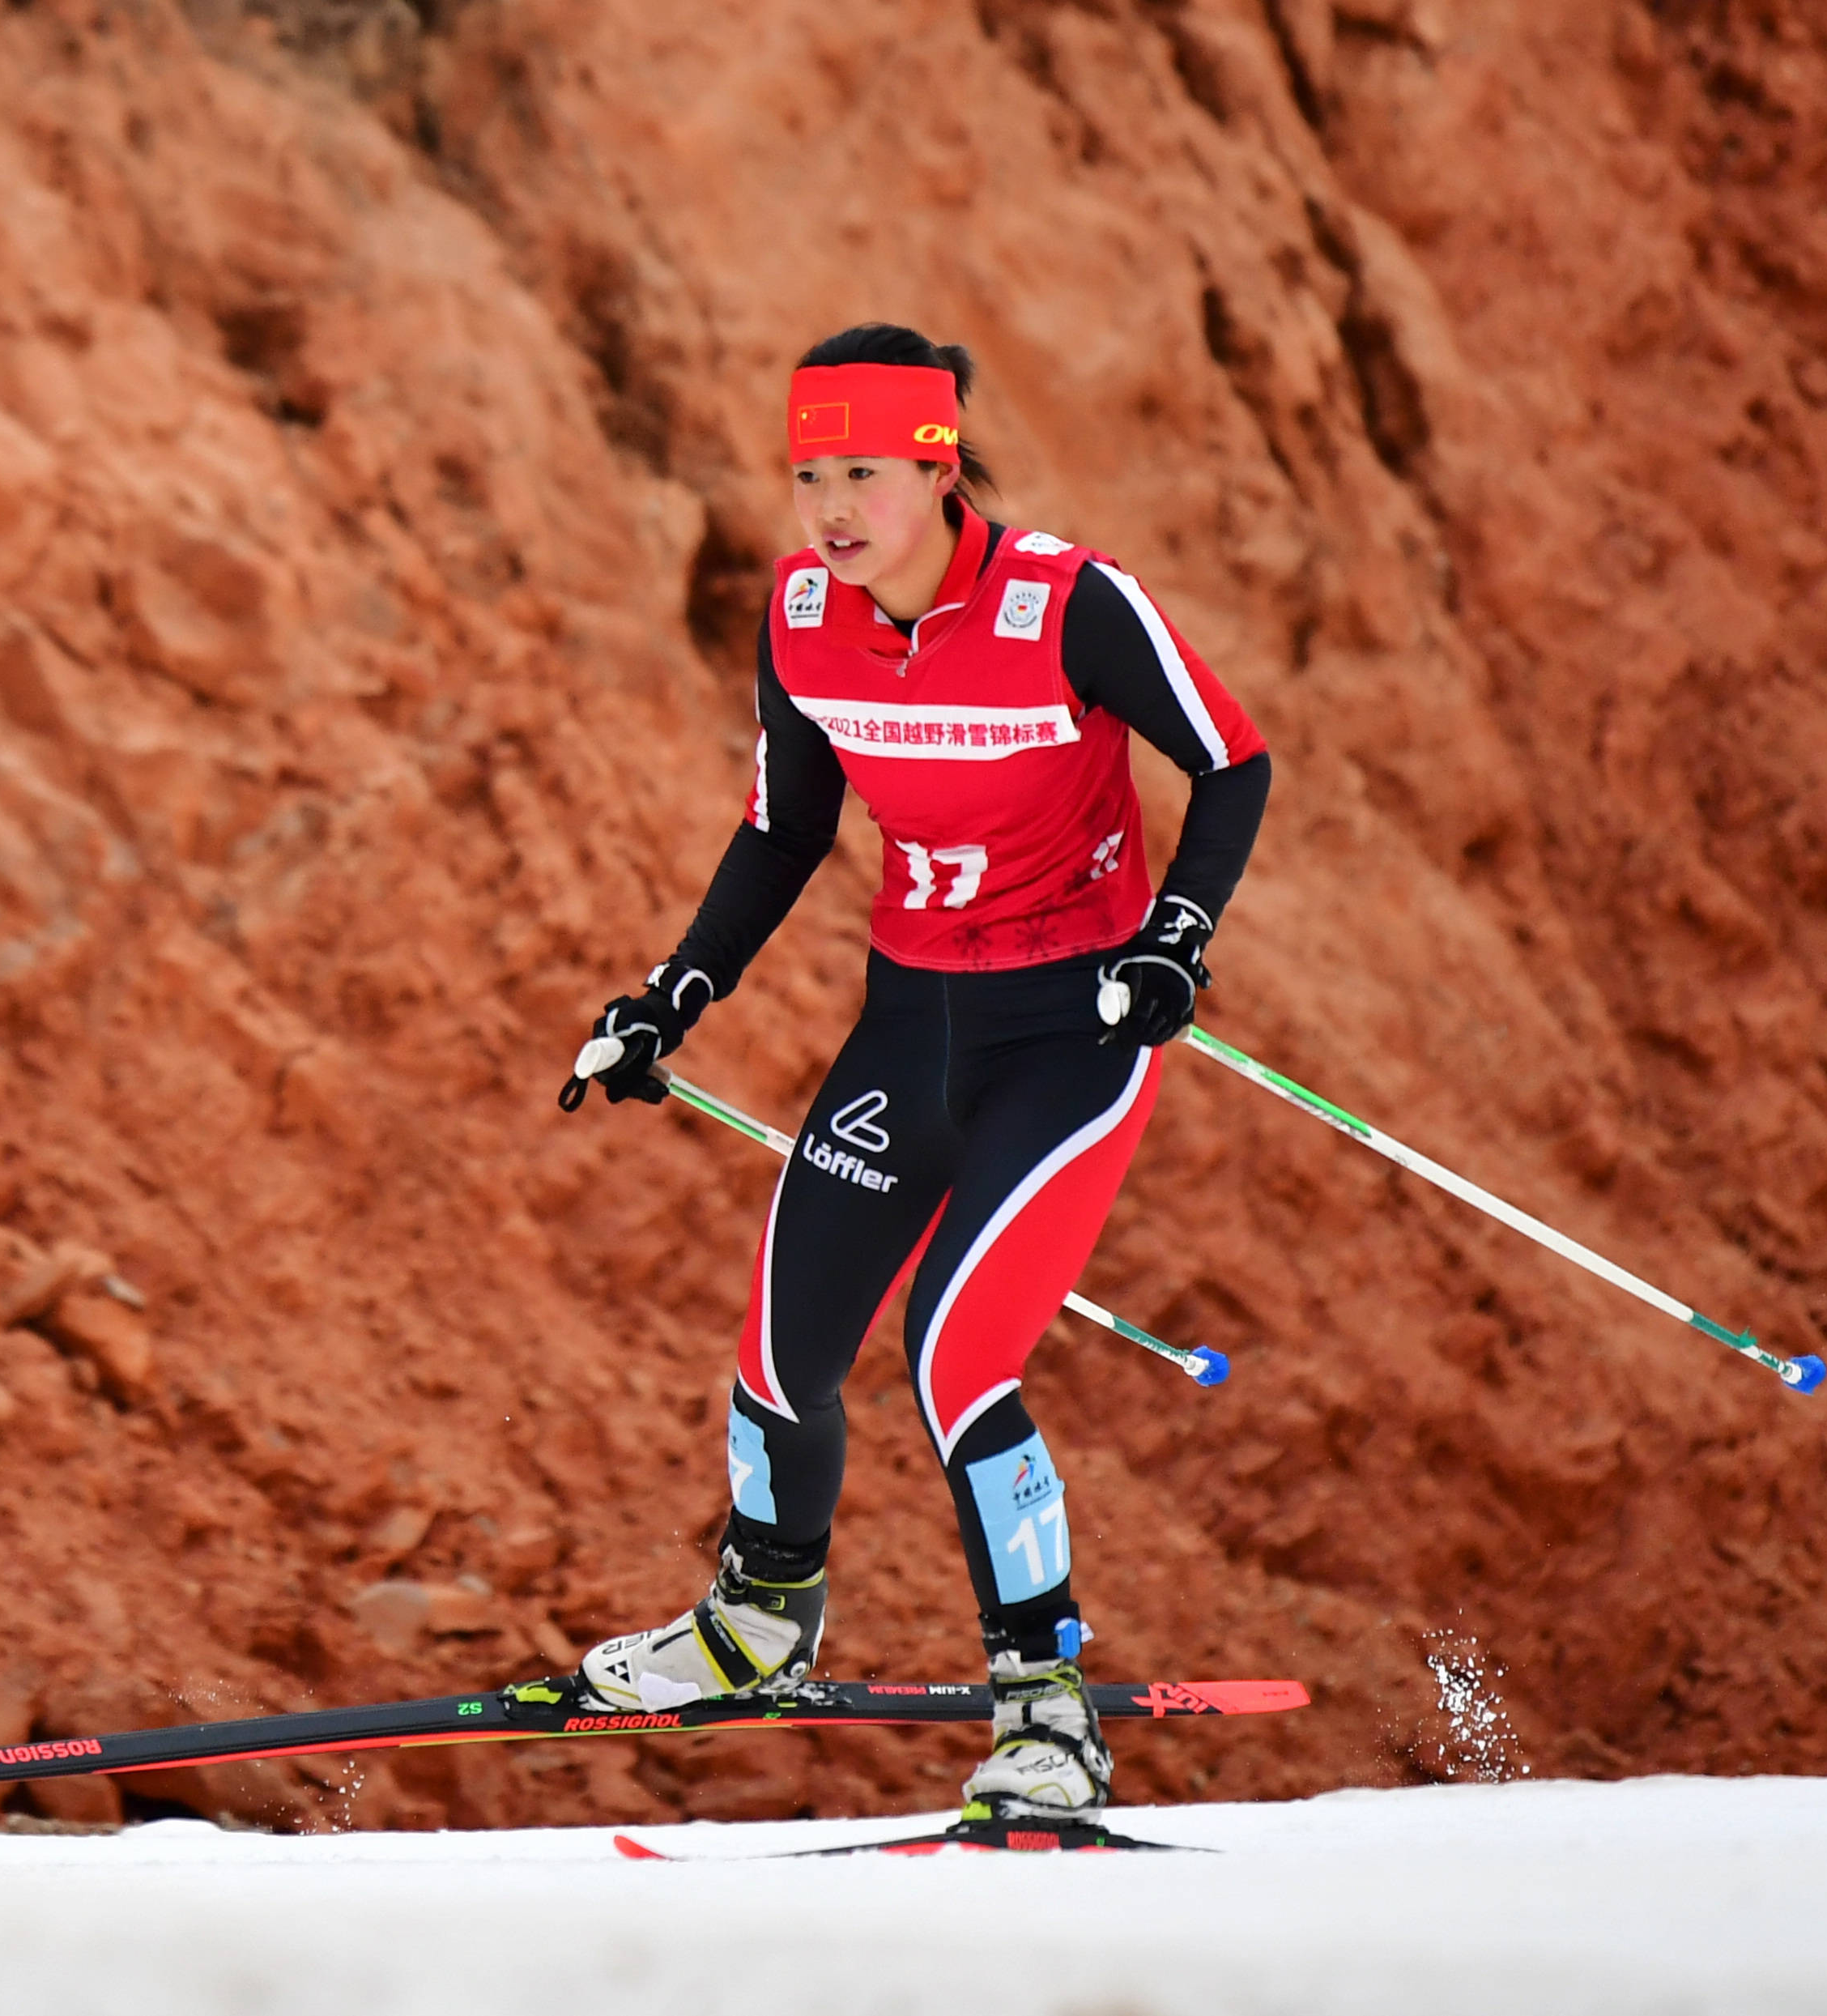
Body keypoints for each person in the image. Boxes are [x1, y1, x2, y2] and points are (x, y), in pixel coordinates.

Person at [560, 323, 1271, 1830]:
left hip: (1067, 1039)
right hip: (907, 1027)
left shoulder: (1069, 603)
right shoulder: (804, 615)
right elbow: (782, 830)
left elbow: (1231, 761)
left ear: (934, 467)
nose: (827, 502)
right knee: (779, 1350)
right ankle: (757, 1622)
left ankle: (1047, 1711)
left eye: (861, 471)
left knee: (955, 1359)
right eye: (808, 469)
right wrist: (671, 994)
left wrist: (1175, 939)